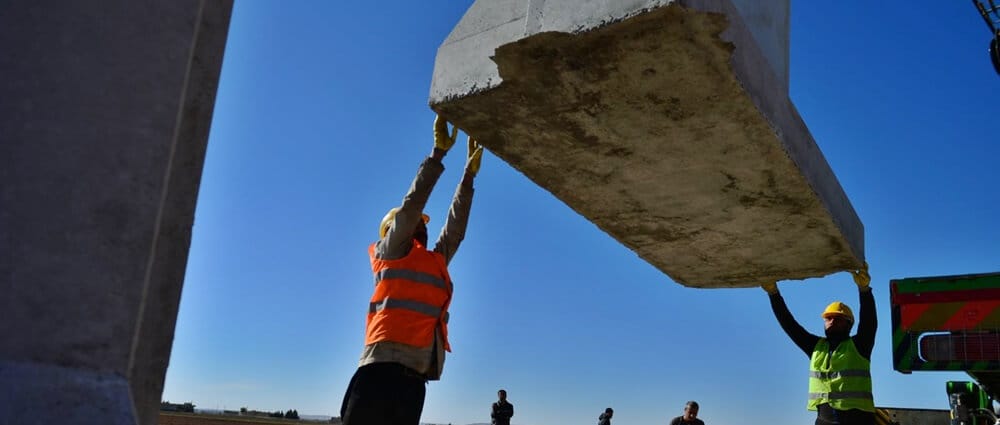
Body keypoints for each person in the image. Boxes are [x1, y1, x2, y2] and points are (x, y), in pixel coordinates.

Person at [340, 115, 485, 425]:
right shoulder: (389, 252)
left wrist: (468, 178)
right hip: (378, 372)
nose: (423, 225)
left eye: (423, 224)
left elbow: (455, 230)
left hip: (413, 383)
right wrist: (437, 155)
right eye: (419, 222)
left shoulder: (435, 261)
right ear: (391, 230)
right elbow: (412, 206)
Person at [762, 263, 876, 425]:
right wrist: (773, 294)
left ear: (849, 323)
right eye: (828, 318)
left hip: (858, 420)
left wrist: (864, 291)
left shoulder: (859, 344)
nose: (832, 321)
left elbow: (869, 321)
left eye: (837, 318)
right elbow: (789, 324)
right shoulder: (816, 347)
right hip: (824, 419)